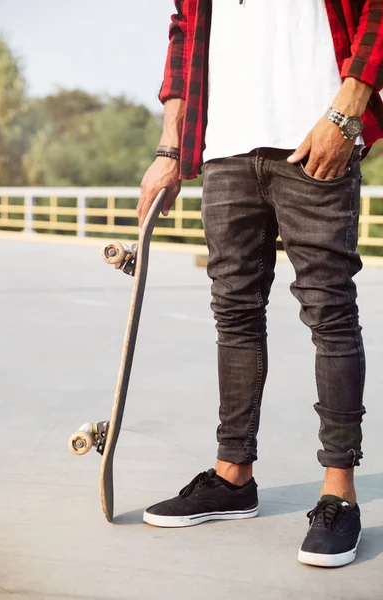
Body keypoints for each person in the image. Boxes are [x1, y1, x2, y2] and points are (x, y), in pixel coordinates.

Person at [137, 0, 383, 568]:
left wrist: (346, 112)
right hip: (224, 144)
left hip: (317, 133)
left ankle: (338, 493)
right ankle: (232, 476)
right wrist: (172, 146)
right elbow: (184, 31)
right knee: (235, 313)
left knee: (329, 311)